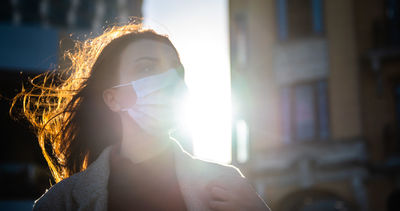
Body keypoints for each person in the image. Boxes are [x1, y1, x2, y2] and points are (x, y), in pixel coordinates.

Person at [12, 24, 270, 211]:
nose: (169, 81)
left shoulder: (225, 183)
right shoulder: (63, 201)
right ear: (113, 98)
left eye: (176, 71)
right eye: (147, 67)